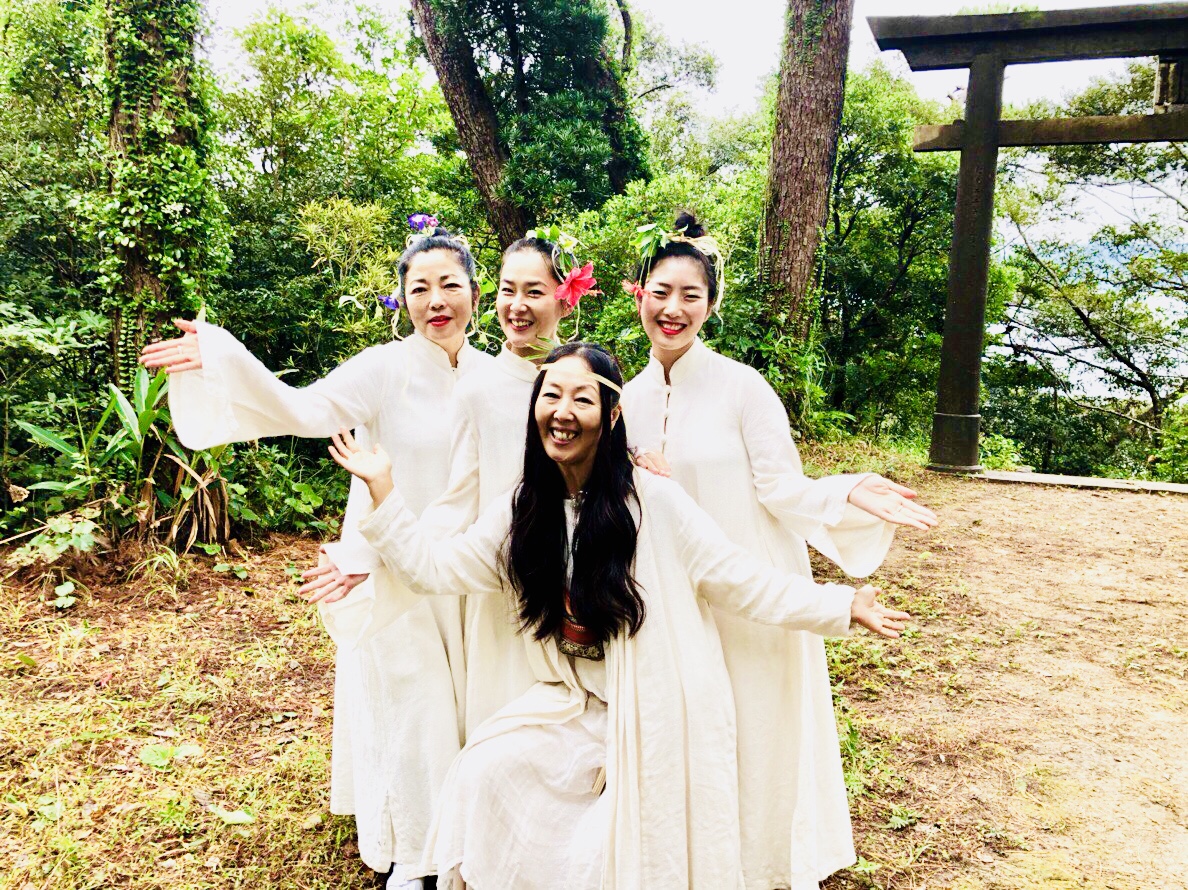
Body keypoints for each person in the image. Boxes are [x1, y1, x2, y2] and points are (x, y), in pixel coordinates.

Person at [329, 342, 912, 889]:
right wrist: (384, 492)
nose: (562, 412)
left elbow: (742, 579)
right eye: (551, 395)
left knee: (620, 846)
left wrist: (840, 604)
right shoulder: (523, 510)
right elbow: (433, 569)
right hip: (577, 705)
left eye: (581, 399)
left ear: (611, 417)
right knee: (485, 771)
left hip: (659, 710)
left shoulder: (653, 502)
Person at [139, 225, 489, 889]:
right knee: (414, 707)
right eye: (419, 288)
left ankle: (468, 840)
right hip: (385, 563)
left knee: (466, 706)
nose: (436, 300)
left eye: (450, 284)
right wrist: (223, 357)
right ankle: (412, 855)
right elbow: (301, 409)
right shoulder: (382, 369)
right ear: (403, 299)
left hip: (465, 568)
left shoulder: (492, 376)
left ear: (476, 291)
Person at [619, 212, 938, 889]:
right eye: (661, 291)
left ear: (712, 305)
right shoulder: (629, 399)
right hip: (677, 595)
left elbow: (782, 488)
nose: (673, 308)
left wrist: (847, 491)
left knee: (759, 731)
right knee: (692, 730)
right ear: (639, 293)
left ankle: (763, 869)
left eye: (691, 295)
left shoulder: (743, 387)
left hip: (755, 586)